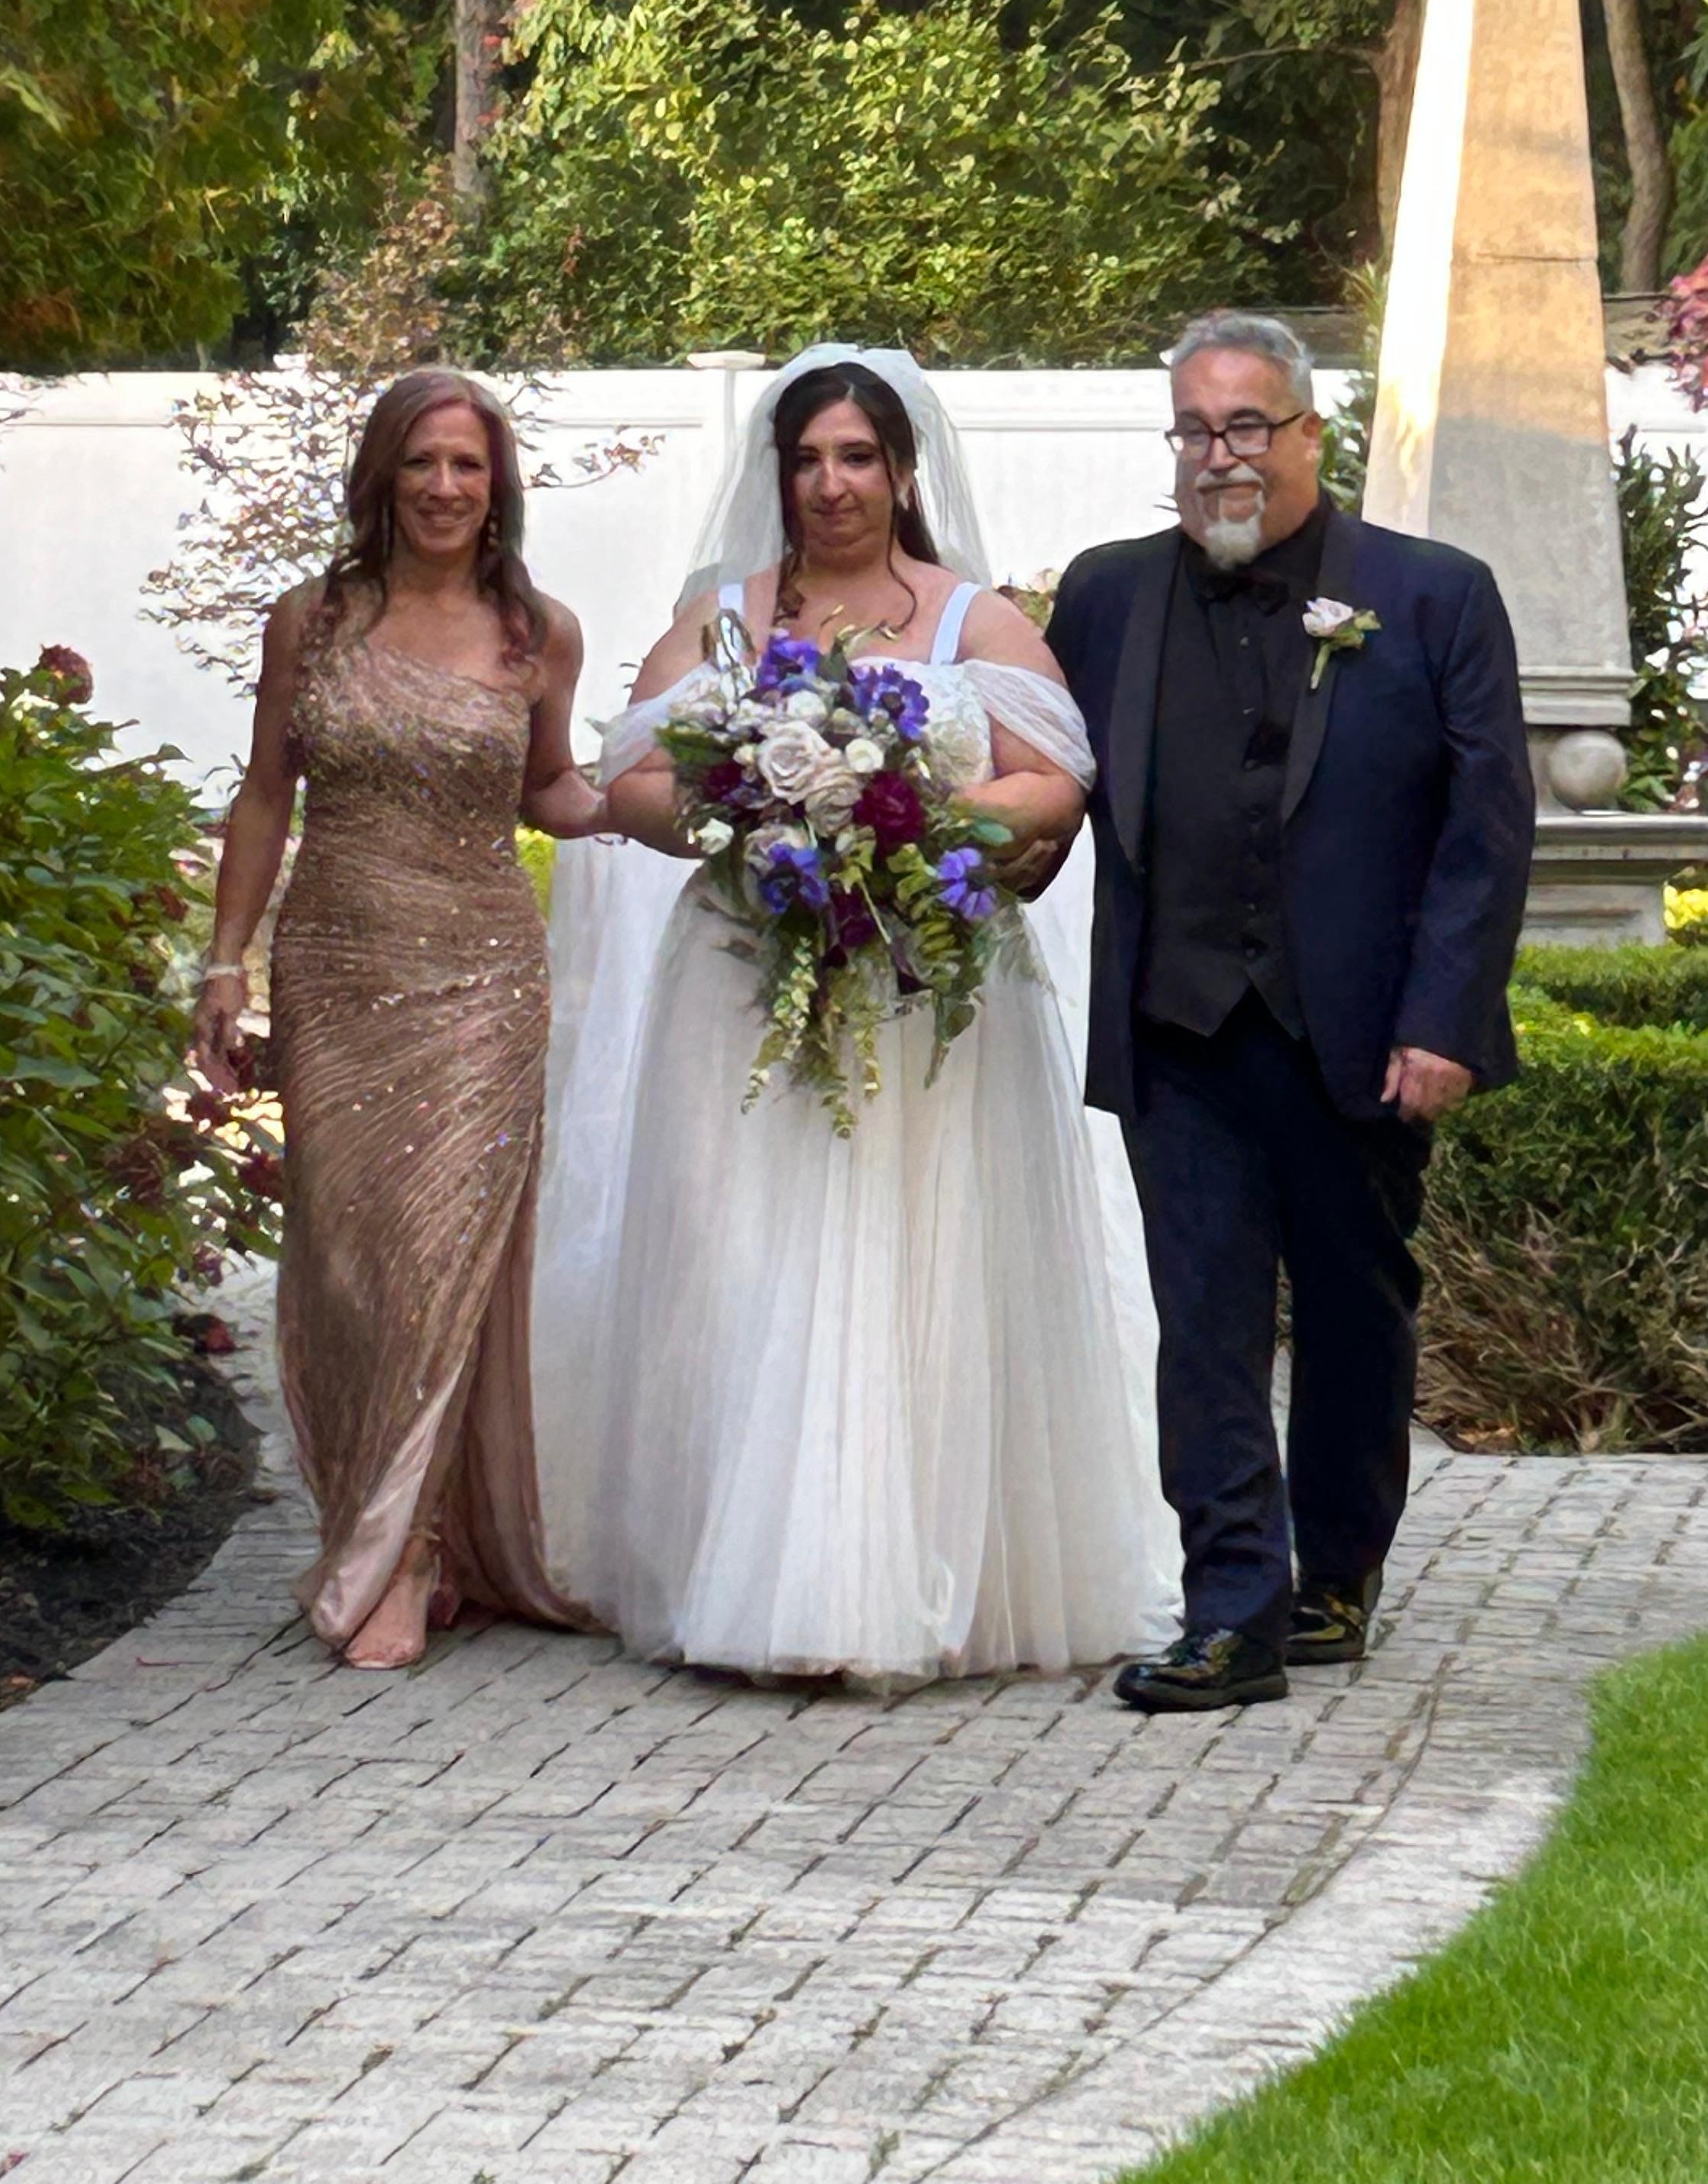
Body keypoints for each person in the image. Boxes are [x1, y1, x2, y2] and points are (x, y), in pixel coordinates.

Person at [534, 347, 1178, 1685]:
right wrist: (756, 816)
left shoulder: (970, 621)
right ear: (780, 475)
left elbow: (1057, 785)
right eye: (809, 459)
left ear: (901, 471)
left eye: (857, 458)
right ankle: (748, 1578)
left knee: (912, 1269)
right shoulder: (719, 618)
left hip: (918, 998)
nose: (832, 485)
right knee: (744, 1266)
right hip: (741, 997)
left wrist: (896, 817)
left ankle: (918, 1581)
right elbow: (628, 785)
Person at [1048, 311, 1535, 1714]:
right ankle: (1231, 1607)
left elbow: (1484, 835)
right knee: (1200, 1318)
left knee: (1354, 1310)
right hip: (1178, 1028)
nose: (1221, 459)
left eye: (1248, 427)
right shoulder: (1107, 595)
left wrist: (1443, 1020)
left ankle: (1336, 1575)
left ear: (1311, 433)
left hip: (1365, 1033)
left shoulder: (1434, 595)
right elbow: (1037, 771)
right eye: (1196, 432)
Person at [193, 368, 605, 1670]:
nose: (443, 486)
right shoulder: (310, 621)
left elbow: (554, 793)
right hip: (336, 966)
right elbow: (267, 795)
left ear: (498, 487)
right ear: (382, 475)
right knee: (350, 1265)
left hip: (482, 977)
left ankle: (409, 1556)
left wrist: (685, 795)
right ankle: (373, 1524)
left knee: (443, 1262)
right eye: (422, 462)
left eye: (467, 466)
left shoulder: (540, 631)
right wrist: (223, 962)